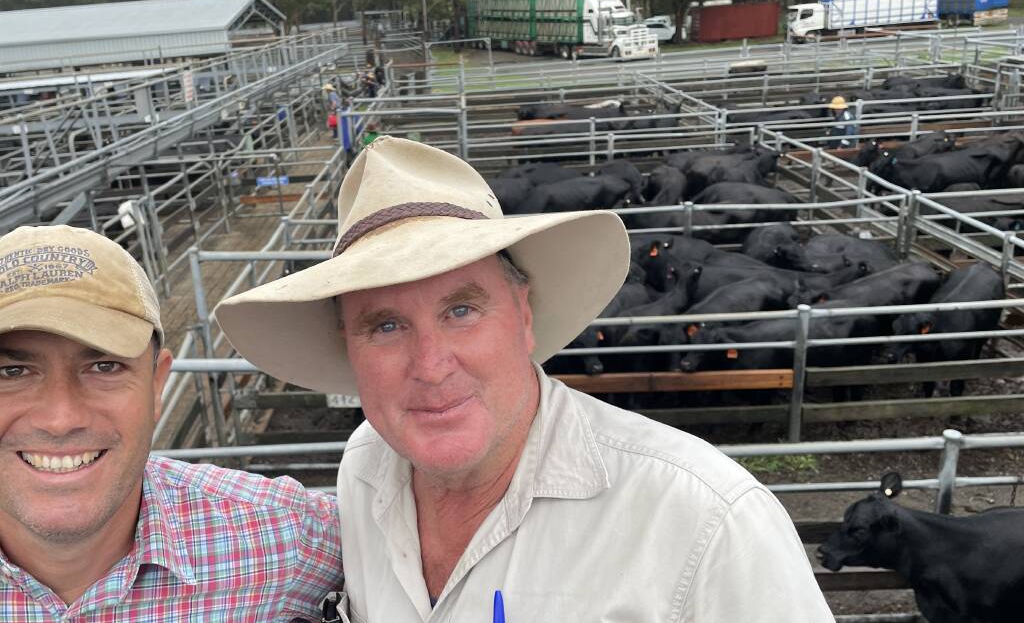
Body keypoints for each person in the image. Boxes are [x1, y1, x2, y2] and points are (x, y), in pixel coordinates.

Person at [214, 137, 835, 621]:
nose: (431, 365)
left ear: (524, 315)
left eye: (462, 310)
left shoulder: (705, 521)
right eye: (385, 327)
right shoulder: (366, 466)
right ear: (348, 349)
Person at [0, 225, 342, 620]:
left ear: (158, 385)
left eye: (104, 366)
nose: (60, 418)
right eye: (11, 371)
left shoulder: (290, 538)